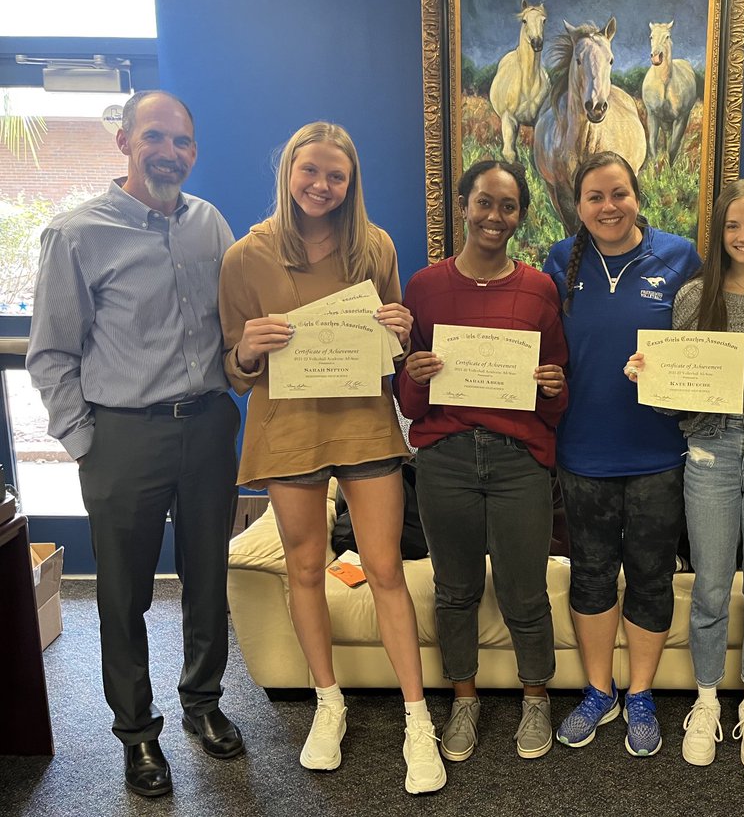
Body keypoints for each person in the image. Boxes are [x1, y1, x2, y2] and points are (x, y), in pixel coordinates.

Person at [27, 90, 243, 798]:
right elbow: (51, 354)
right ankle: (137, 735)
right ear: (124, 141)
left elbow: (236, 323)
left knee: (209, 580)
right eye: (155, 137)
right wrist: (85, 443)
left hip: (209, 427)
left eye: (181, 141)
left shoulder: (210, 223)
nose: (169, 152)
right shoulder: (75, 233)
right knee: (123, 595)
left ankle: (202, 705)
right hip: (123, 438)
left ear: (194, 151)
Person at [218, 122, 445, 793]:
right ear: (289, 171)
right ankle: (328, 701)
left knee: (383, 568)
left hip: (364, 423)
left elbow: (394, 350)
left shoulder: (373, 245)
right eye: (310, 171)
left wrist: (401, 329)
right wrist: (250, 348)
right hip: (287, 429)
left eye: (336, 176)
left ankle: (416, 716)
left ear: (352, 184)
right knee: (307, 567)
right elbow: (233, 368)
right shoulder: (243, 257)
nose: (322, 185)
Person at [624, 178, 744, 770]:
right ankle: (707, 700)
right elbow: (678, 400)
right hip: (709, 452)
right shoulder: (695, 297)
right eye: (732, 226)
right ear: (719, 232)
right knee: (709, 589)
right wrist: (648, 380)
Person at [398, 159, 568, 762]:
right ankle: (464, 698)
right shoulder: (424, 286)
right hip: (445, 458)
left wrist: (552, 387)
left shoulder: (540, 289)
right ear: (464, 205)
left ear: (520, 215)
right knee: (456, 590)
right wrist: (414, 376)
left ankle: (536, 698)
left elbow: (557, 391)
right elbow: (410, 398)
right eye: (485, 203)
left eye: (508, 206)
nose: (495, 216)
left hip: (519, 459)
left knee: (526, 591)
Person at [543, 151, 701, 756]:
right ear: (577, 206)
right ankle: (598, 691)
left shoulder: (680, 256)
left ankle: (639, 694)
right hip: (581, 452)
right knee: (590, 575)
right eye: (594, 197)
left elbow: (704, 345)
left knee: (652, 578)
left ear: (637, 196)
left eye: (618, 194)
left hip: (661, 453)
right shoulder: (561, 261)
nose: (608, 207)